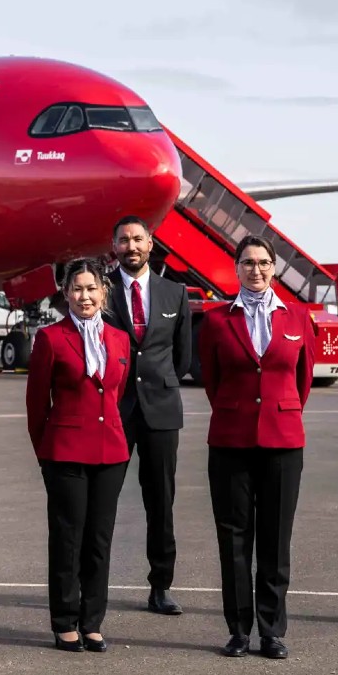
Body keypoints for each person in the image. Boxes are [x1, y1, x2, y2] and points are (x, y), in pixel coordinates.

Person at [199, 235, 316, 660]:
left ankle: (271, 629)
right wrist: (238, 413)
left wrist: (278, 414)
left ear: (275, 267)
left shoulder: (298, 317)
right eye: (248, 263)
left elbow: (302, 380)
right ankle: (238, 629)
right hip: (230, 440)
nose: (257, 270)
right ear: (236, 268)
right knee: (233, 540)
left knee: (274, 539)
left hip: (283, 442)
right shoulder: (215, 321)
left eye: (264, 262)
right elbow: (212, 380)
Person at [27, 259, 131, 652]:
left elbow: (115, 395)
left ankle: (92, 621)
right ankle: (64, 619)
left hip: (111, 452)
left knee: (99, 540)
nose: (85, 296)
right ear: (66, 293)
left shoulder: (120, 339)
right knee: (68, 538)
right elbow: (37, 404)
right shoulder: (51, 338)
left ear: (103, 292)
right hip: (65, 453)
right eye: (77, 289)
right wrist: (46, 453)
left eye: (92, 288)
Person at [107, 215, 192, 616]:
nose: (131, 246)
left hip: (160, 411)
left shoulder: (174, 293)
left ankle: (161, 586)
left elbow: (182, 356)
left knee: (161, 503)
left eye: (138, 239)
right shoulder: (99, 291)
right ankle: (94, 587)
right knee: (102, 501)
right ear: (114, 247)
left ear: (151, 243)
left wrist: (157, 383)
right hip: (115, 410)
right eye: (124, 240)